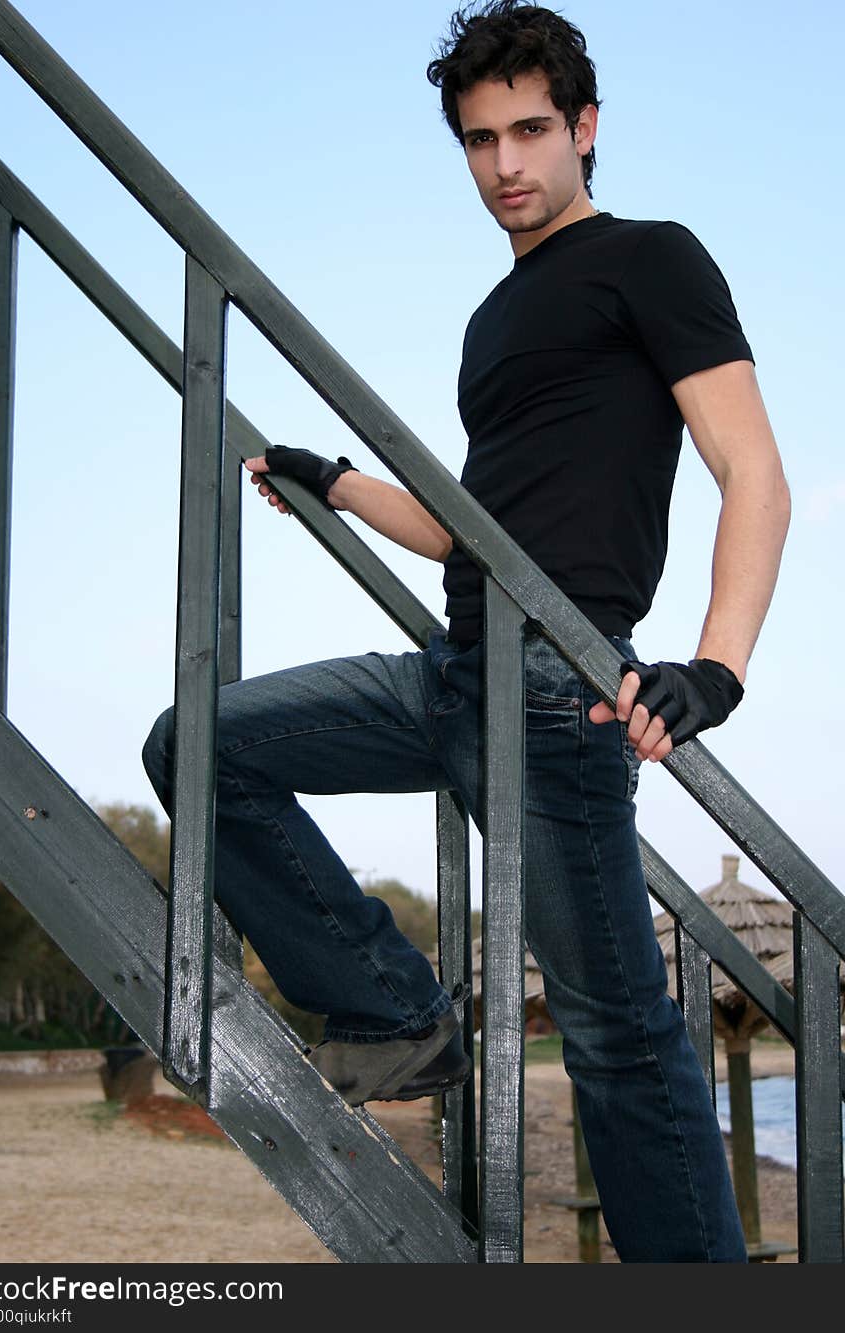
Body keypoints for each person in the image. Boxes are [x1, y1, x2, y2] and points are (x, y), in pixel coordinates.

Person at [143, 0, 790, 1262]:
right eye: (480, 138)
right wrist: (340, 484)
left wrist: (715, 668)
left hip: (557, 690)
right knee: (199, 743)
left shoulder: (652, 258)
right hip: (449, 670)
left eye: (532, 130)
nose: (507, 163)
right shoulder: (494, 320)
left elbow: (751, 469)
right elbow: (469, 529)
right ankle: (392, 1011)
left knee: (614, 1035)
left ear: (586, 128)